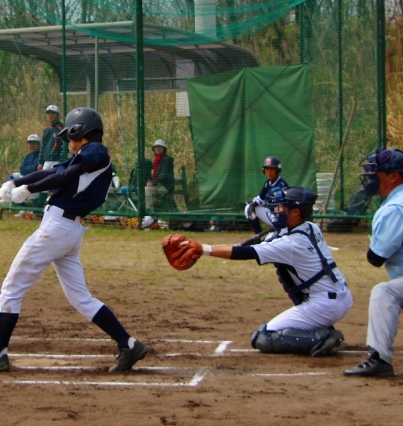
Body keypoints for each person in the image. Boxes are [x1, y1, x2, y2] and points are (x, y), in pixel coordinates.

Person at [0, 107, 148, 374]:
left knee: (11, 289)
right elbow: (52, 173)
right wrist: (14, 183)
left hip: (57, 228)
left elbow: (61, 177)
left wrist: (27, 189)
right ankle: (129, 344)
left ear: (80, 132)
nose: (69, 143)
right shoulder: (84, 158)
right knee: (80, 298)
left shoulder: (96, 151)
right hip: (67, 231)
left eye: (70, 137)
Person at [170, 186, 351, 357]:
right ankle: (322, 328)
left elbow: (246, 253)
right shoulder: (311, 227)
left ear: (296, 212)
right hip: (340, 296)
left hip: (324, 305)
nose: (277, 210)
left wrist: (203, 249)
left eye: (282, 206)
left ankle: (322, 337)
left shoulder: (290, 244)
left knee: (264, 336)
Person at [343, 148, 403, 377]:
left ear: (394, 176)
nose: (370, 177)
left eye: (376, 171)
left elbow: (375, 258)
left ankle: (379, 359)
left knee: (385, 293)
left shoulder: (395, 208)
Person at [244, 156, 289, 234]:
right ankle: (259, 237)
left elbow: (286, 206)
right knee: (248, 208)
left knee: (274, 240)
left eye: (272, 169)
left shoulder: (282, 185)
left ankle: (279, 230)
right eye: (267, 169)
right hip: (272, 215)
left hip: (281, 219)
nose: (269, 172)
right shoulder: (267, 183)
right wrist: (254, 204)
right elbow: (261, 198)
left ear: (277, 170)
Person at [145, 139, 175, 212]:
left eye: (159, 147)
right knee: (146, 188)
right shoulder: (158, 160)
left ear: (163, 149)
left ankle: (150, 213)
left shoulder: (166, 160)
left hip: (166, 186)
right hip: (159, 185)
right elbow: (155, 175)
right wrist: (150, 181)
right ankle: (156, 211)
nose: (157, 149)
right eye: (156, 148)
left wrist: (153, 183)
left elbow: (163, 175)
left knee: (147, 189)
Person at [37, 104, 65, 170]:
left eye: (53, 114)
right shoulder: (46, 129)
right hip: (47, 160)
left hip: (57, 160)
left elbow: (63, 146)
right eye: (49, 114)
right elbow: (43, 146)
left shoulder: (61, 128)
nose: (50, 116)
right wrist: (40, 162)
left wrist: (61, 159)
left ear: (57, 115)